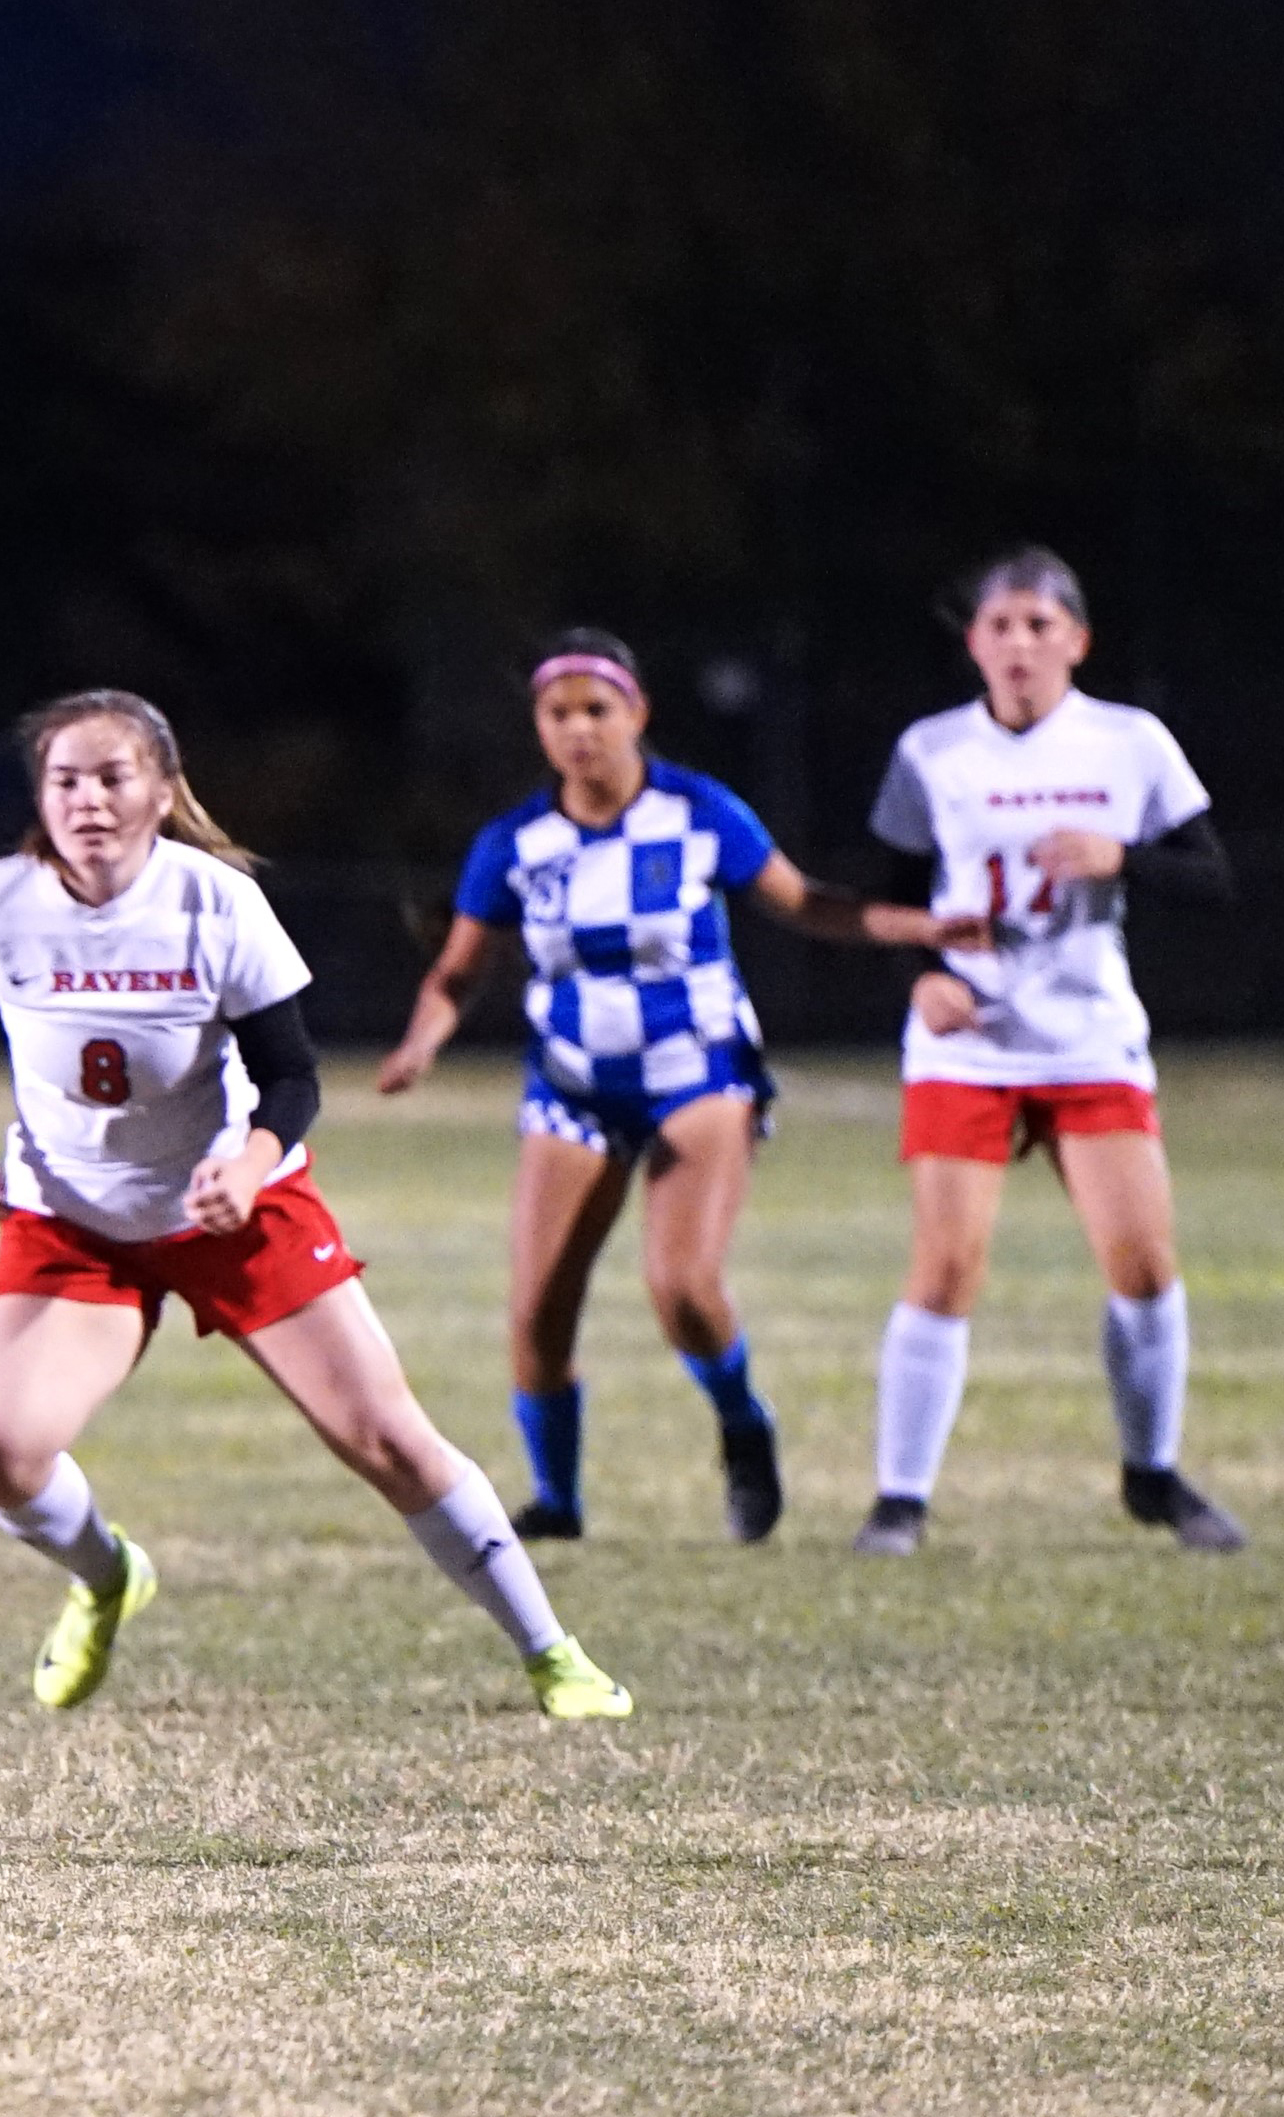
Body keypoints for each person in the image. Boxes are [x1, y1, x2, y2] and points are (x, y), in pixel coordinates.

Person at [0, 690, 634, 1720]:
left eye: (113, 776)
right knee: (1, 1454)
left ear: (163, 792)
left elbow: (292, 1076)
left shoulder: (214, 902)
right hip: (74, 1224)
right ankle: (110, 1576)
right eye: (64, 779)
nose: (87, 799)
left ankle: (554, 1654)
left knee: (387, 1438)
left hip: (236, 1211)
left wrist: (251, 1164)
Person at [375, 629, 985, 1543]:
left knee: (683, 1289)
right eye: (557, 714)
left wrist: (920, 927)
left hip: (695, 1072)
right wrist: (422, 1042)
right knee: (537, 1312)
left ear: (637, 714)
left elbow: (804, 902)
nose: (578, 730)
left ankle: (743, 1426)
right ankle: (558, 1504)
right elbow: (457, 971)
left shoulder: (698, 813)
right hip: (572, 1085)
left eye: (596, 710)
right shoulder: (514, 844)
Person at [854, 548, 1248, 1559]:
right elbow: (888, 900)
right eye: (1001, 626)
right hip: (971, 1046)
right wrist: (922, 980)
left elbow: (1214, 880)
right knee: (944, 1271)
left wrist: (1126, 858)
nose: (1020, 644)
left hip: (1088, 1038)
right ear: (974, 643)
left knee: (1146, 1267)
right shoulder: (933, 750)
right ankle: (899, 1502)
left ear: (1078, 639)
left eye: (1040, 624)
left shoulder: (1130, 743)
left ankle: (1153, 1477)